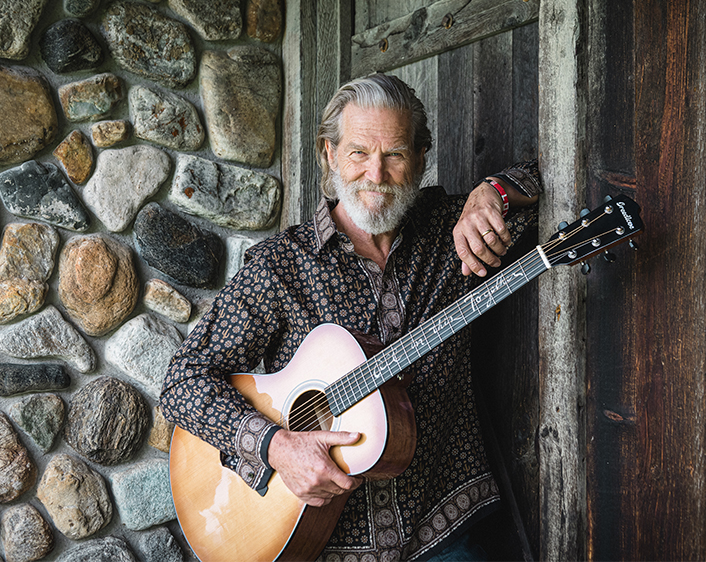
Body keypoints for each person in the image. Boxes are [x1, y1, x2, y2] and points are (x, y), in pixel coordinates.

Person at [160, 72, 541, 561]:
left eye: (395, 154)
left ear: (421, 159)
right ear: (329, 154)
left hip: (445, 527)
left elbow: (545, 178)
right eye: (359, 152)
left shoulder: (454, 234)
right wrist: (276, 446)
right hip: (323, 542)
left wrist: (494, 192)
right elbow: (182, 384)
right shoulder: (281, 266)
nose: (376, 175)